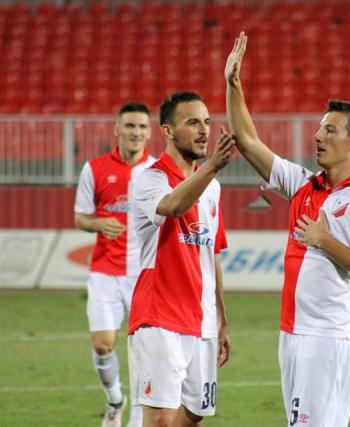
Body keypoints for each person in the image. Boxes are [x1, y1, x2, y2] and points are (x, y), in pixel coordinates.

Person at [225, 32, 350, 427]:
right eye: (319, 129)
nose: (317, 136)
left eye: (329, 130)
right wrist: (233, 85)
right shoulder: (304, 184)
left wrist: (324, 241)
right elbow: (248, 142)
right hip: (292, 332)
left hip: (329, 336)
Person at [127, 91, 234, 427]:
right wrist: (213, 167)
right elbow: (172, 207)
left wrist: (221, 315)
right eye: (192, 122)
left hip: (202, 321)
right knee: (160, 419)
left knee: (196, 412)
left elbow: (211, 252)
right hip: (160, 316)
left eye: (206, 122)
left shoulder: (212, 189)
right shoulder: (150, 179)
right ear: (168, 131)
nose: (203, 130)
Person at [74, 102, 157, 427]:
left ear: (150, 133)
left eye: (141, 127)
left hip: (144, 274)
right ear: (117, 130)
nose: (136, 132)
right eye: (130, 126)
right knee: (103, 343)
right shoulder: (93, 169)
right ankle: (114, 400)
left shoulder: (157, 172)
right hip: (105, 272)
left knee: (142, 351)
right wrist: (98, 225)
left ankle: (137, 419)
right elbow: (80, 217)